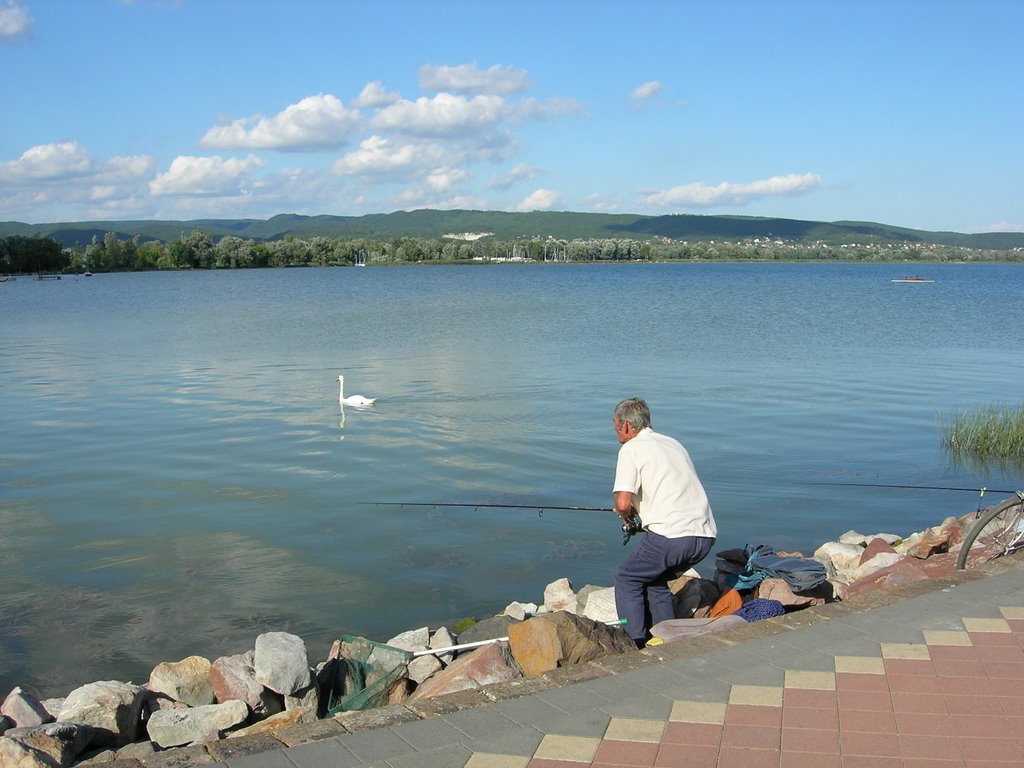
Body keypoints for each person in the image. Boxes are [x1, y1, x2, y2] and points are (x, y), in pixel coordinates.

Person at [611, 398, 717, 647]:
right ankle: (668, 640)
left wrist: (624, 515)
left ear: (626, 426)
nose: (614, 430)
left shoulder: (631, 449)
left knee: (627, 578)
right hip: (705, 535)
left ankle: (633, 642)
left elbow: (623, 503)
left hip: (671, 537)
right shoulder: (673, 443)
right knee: (654, 580)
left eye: (615, 425)